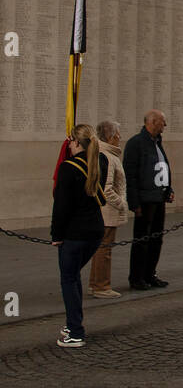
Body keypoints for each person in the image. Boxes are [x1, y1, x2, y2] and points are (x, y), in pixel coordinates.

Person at [51, 124, 107, 348]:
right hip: (95, 231)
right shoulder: (100, 161)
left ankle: (75, 332)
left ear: (74, 142)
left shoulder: (68, 168)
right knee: (74, 276)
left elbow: (62, 207)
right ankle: (72, 323)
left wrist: (56, 234)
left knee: (69, 279)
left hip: (74, 234)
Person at [123, 110, 174, 290]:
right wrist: (134, 202)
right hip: (145, 199)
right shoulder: (136, 144)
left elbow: (162, 167)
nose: (165, 126)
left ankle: (150, 274)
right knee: (142, 241)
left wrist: (168, 189)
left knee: (156, 239)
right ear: (152, 122)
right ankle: (136, 277)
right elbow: (130, 176)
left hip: (158, 197)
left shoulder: (157, 143)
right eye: (163, 122)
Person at [87, 120, 128, 299]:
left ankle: (95, 283)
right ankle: (101, 286)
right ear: (111, 137)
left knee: (101, 248)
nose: (120, 138)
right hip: (108, 211)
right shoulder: (108, 157)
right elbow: (107, 187)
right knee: (104, 249)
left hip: (105, 210)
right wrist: (121, 203)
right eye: (118, 135)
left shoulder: (104, 153)